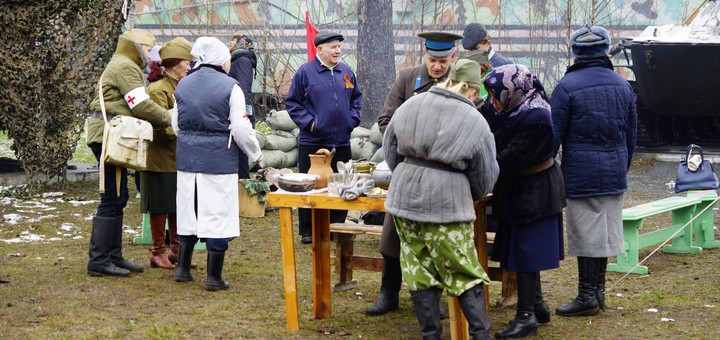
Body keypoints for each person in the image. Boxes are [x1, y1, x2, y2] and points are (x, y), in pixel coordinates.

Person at [383, 59, 499, 339]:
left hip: (404, 202)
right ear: (473, 90)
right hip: (447, 208)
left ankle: (430, 335)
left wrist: (407, 175)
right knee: (463, 271)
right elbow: (485, 176)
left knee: (418, 269)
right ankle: (480, 336)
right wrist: (464, 192)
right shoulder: (475, 120)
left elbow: (390, 150)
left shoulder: (410, 104)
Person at [371, 31, 461, 317]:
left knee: (435, 238)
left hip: (443, 175)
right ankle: (388, 293)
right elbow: (386, 120)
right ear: (424, 55)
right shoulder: (408, 78)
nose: (437, 66)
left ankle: (433, 298)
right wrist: (403, 149)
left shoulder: (461, 83)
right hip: (408, 172)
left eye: (443, 61)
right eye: (433, 60)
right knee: (393, 236)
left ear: (453, 57)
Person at [551, 25, 637, 317]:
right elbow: (631, 135)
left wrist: (550, 168)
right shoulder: (622, 84)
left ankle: (587, 296)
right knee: (604, 233)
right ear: (605, 49)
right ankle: (598, 293)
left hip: (580, 172)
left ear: (576, 52)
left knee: (587, 234)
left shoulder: (566, 87)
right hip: (613, 172)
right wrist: (620, 168)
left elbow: (554, 135)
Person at [172, 36, 263, 291]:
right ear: (219, 59)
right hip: (218, 161)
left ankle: (182, 269)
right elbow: (242, 128)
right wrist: (256, 155)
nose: (228, 63)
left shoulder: (183, 85)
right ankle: (213, 277)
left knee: (189, 211)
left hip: (188, 160)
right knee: (218, 215)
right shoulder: (230, 87)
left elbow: (176, 126)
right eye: (226, 58)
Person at [483, 64, 566, 338]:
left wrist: (479, 163)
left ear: (512, 90)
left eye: (495, 95)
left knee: (528, 253)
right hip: (520, 190)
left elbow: (507, 158)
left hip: (535, 191)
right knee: (523, 251)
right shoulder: (511, 106)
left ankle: (526, 316)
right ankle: (538, 304)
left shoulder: (536, 117)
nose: (492, 102)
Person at [85, 29, 173, 277]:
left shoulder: (122, 64)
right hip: (110, 137)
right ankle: (100, 260)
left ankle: (113, 256)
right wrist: (168, 118)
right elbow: (141, 105)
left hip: (111, 135)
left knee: (119, 196)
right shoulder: (125, 66)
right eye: (147, 50)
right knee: (112, 197)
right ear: (135, 47)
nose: (149, 56)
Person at [285, 32, 363, 245]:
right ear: (319, 49)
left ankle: (335, 227)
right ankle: (308, 231)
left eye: (339, 46)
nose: (338, 50)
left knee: (341, 185)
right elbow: (293, 103)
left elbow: (356, 98)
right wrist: (311, 124)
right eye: (333, 47)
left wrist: (352, 120)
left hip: (341, 141)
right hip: (313, 141)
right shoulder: (306, 72)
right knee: (310, 186)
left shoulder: (346, 72)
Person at [144, 37, 194, 269]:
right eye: (186, 62)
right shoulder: (158, 90)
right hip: (160, 158)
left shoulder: (180, 86)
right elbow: (157, 127)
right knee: (160, 207)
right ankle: (157, 252)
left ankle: (176, 250)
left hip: (177, 157)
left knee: (177, 205)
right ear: (174, 64)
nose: (189, 66)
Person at [228, 33, 257, 179]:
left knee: (241, 156)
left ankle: (243, 187)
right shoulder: (236, 59)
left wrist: (246, 116)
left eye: (233, 42)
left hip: (241, 112)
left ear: (242, 44)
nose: (229, 44)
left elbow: (243, 89)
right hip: (237, 110)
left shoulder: (242, 60)